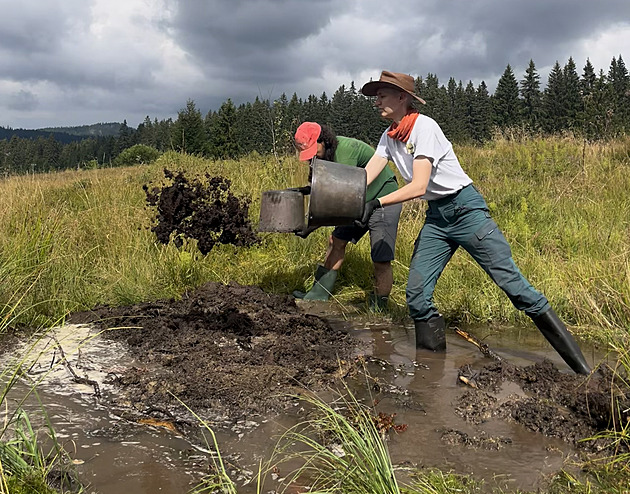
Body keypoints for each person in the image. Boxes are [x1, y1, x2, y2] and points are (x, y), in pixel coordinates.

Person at [355, 70, 590, 374]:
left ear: (402, 98)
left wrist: (377, 202)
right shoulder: (389, 137)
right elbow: (366, 176)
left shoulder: (424, 127)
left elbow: (419, 186)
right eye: (376, 96)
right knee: (416, 295)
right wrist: (338, 193)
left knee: (516, 288)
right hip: (437, 219)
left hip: (466, 211)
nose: (377, 102)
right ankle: (431, 373)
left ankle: (583, 371)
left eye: (382, 95)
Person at [292, 122, 402, 311]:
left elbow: (342, 193)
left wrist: (310, 226)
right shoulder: (323, 156)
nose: (312, 157)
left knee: (380, 257)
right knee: (336, 240)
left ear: (323, 141)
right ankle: (317, 295)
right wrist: (305, 191)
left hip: (382, 200)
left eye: (313, 150)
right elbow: (328, 187)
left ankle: (379, 308)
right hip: (356, 201)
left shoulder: (345, 151)